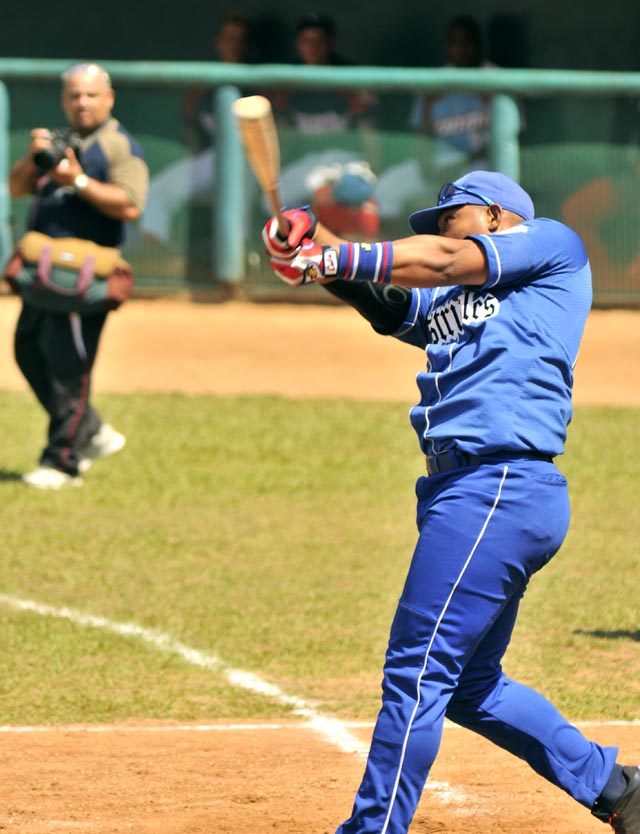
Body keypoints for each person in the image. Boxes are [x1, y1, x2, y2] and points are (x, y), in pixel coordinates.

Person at [260, 171, 640, 834]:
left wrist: (331, 255)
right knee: (469, 685)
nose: (439, 233)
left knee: (417, 672)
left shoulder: (551, 246)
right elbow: (390, 305)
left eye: (450, 218)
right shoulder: (459, 298)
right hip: (466, 496)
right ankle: (617, 789)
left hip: (498, 489)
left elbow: (446, 260)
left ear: (495, 216)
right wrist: (313, 243)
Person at [8, 62, 148, 489]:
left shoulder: (118, 145)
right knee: (28, 350)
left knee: (70, 368)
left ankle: (62, 462)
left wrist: (80, 181)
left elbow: (130, 204)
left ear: (109, 98)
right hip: (43, 272)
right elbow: (17, 187)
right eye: (74, 96)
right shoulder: (60, 142)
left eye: (90, 95)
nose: (82, 103)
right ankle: (92, 431)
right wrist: (36, 159)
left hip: (81, 279)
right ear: (63, 100)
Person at [139, 12, 253, 244]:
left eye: (239, 39)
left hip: (252, 161)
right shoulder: (203, 82)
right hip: (212, 159)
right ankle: (157, 256)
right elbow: (189, 123)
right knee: (156, 192)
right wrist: (195, 150)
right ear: (218, 42)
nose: (234, 44)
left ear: (247, 46)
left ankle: (242, 259)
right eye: (229, 37)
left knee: (240, 192)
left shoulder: (258, 81)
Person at [271, 12, 379, 224]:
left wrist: (376, 167)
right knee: (272, 200)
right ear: (298, 44)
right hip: (307, 163)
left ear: (330, 43)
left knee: (362, 192)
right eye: (307, 41)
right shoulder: (288, 79)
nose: (313, 47)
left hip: (346, 161)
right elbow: (283, 140)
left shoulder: (350, 76)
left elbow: (370, 132)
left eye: (319, 41)